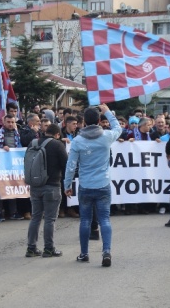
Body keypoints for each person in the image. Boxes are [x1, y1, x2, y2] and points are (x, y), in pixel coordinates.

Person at [64, 104, 122, 267]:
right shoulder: (107, 136)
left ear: (83, 122)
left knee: (85, 220)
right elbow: (118, 128)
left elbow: (71, 165)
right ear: (98, 120)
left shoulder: (78, 141)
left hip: (86, 186)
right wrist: (108, 112)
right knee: (104, 219)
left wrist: (67, 184)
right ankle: (106, 251)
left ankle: (84, 254)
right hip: (103, 184)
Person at [25, 124, 68, 258]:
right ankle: (49, 248)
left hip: (35, 185)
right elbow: (66, 164)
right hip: (52, 185)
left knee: (35, 217)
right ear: (57, 134)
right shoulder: (57, 145)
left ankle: (31, 248)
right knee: (50, 219)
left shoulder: (33, 143)